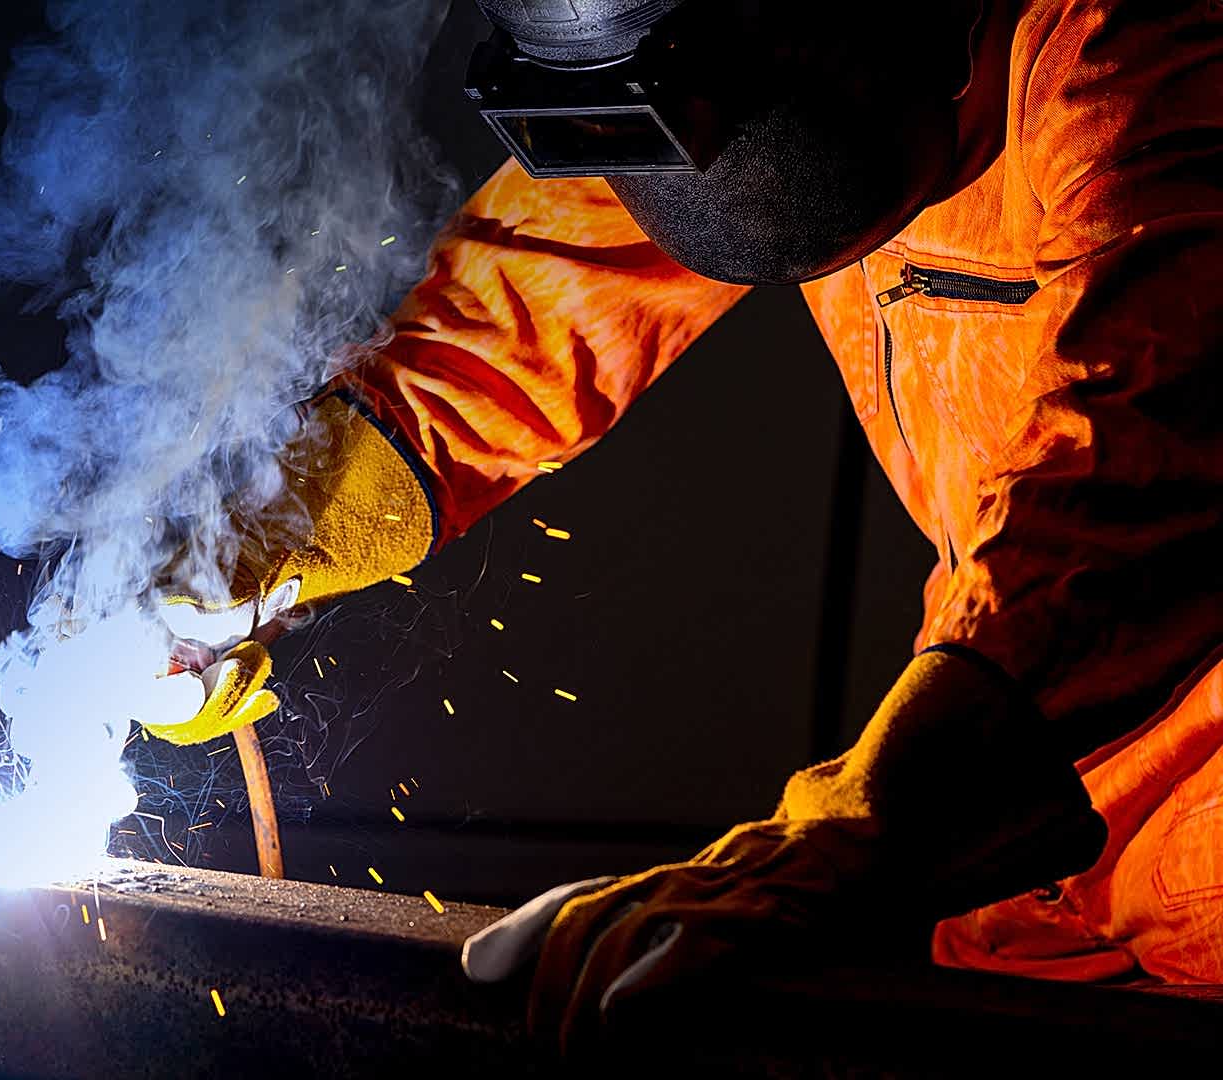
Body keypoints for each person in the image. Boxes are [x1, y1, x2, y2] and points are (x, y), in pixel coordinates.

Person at [146, 0, 1223, 1054]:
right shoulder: (700, 60)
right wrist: (261, 532)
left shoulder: (1143, 54)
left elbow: (1140, 485)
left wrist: (854, 828)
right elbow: (540, 298)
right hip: (1016, 868)